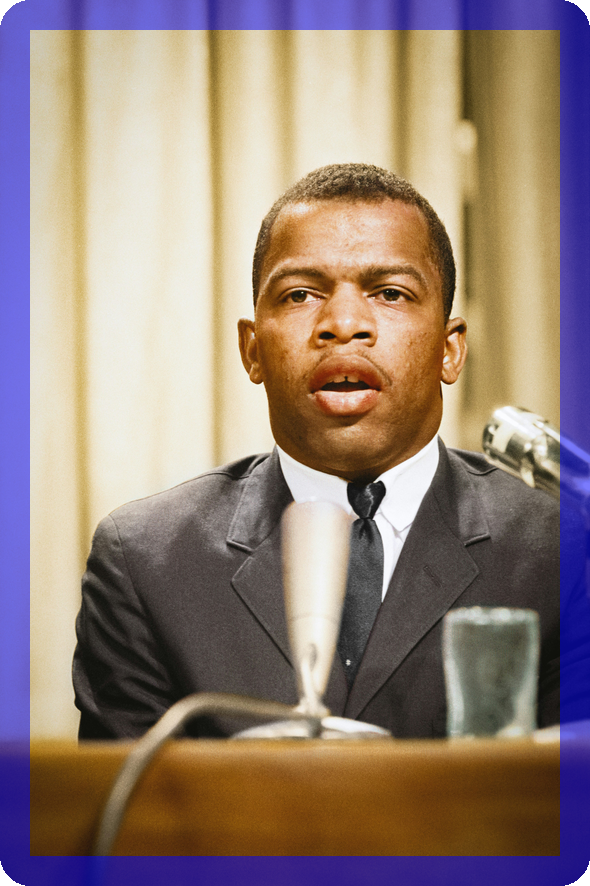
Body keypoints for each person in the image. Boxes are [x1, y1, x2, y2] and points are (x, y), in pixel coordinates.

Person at [73, 163, 559, 739]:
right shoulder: (145, 562)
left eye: (390, 293)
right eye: (300, 294)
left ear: (449, 351)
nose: (343, 324)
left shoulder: (558, 551)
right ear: (252, 350)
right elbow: (123, 795)